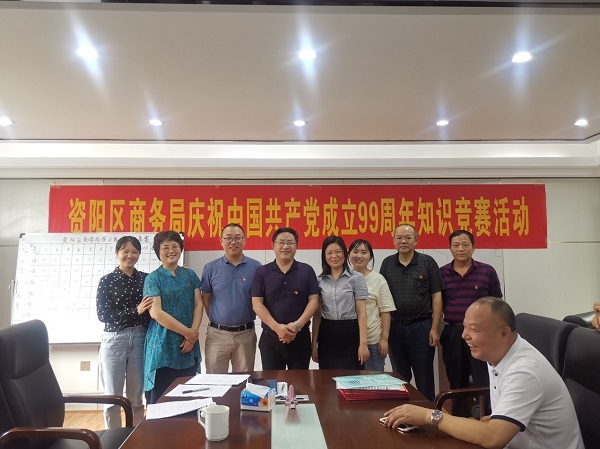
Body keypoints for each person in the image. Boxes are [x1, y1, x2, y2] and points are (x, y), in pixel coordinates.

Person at [383, 297, 584, 449]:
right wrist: (494, 422)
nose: (464, 335)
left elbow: (493, 438)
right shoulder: (498, 352)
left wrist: (431, 416)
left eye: (474, 329)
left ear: (503, 333)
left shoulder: (524, 372)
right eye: (464, 327)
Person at [440, 229, 502, 417]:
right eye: (456, 245)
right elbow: (437, 304)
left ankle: (489, 416)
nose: (460, 249)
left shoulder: (487, 271)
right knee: (456, 379)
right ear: (450, 248)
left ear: (473, 248)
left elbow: (497, 303)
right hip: (453, 333)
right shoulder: (442, 273)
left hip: (481, 334)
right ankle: (459, 419)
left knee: (484, 377)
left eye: (465, 244)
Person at [379, 223, 444, 402]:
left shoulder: (427, 262)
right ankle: (403, 413)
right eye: (399, 238)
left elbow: (437, 295)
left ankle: (428, 413)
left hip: (421, 327)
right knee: (399, 377)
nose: (403, 241)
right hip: (395, 327)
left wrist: (434, 328)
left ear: (416, 240)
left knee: (424, 376)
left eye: (408, 237)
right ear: (393, 241)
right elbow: (382, 299)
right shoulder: (387, 264)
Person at [96, 236, 153, 428]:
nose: (130, 255)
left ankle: (136, 436)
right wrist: (135, 311)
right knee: (112, 396)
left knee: (136, 396)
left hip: (140, 337)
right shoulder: (106, 281)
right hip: (114, 339)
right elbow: (103, 315)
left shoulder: (146, 279)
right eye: (125, 251)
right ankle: (113, 437)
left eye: (135, 252)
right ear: (117, 253)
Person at [143, 230, 203, 404]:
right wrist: (188, 333)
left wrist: (192, 335)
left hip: (188, 344)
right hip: (163, 344)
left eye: (175, 246)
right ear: (158, 252)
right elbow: (156, 313)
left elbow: (198, 304)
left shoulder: (190, 275)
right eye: (165, 247)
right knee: (161, 397)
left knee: (187, 397)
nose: (171, 251)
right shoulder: (153, 279)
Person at [251, 227, 320, 370]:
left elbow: (314, 301)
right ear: (273, 245)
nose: (285, 246)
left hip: (300, 338)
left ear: (297, 246)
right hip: (270, 339)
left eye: (290, 242)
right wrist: (277, 328)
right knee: (272, 381)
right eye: (281, 242)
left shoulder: (306, 270)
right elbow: (257, 304)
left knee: (300, 382)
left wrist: (297, 326)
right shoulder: (262, 272)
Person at [200, 223, 262, 373]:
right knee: (215, 380)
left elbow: (259, 299)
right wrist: (219, 320)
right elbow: (206, 298)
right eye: (228, 238)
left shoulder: (256, 267)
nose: (233, 242)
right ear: (221, 241)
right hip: (217, 335)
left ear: (244, 240)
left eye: (237, 238)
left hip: (245, 334)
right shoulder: (210, 268)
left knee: (243, 379)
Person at [311, 236, 369, 370]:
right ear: (324, 256)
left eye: (338, 252)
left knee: (352, 377)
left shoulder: (356, 278)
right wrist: (314, 344)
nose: (334, 256)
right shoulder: (319, 281)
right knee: (327, 378)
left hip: (350, 333)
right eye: (329, 253)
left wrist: (363, 344)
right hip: (327, 334)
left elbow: (362, 313)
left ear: (344, 253)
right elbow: (317, 315)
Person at [348, 238, 396, 372]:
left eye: (364, 252)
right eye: (355, 251)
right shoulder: (343, 278)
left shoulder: (378, 279)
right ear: (349, 255)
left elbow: (385, 311)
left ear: (370, 257)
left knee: (373, 381)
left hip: (372, 342)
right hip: (349, 340)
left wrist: (384, 339)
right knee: (349, 381)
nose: (359, 256)